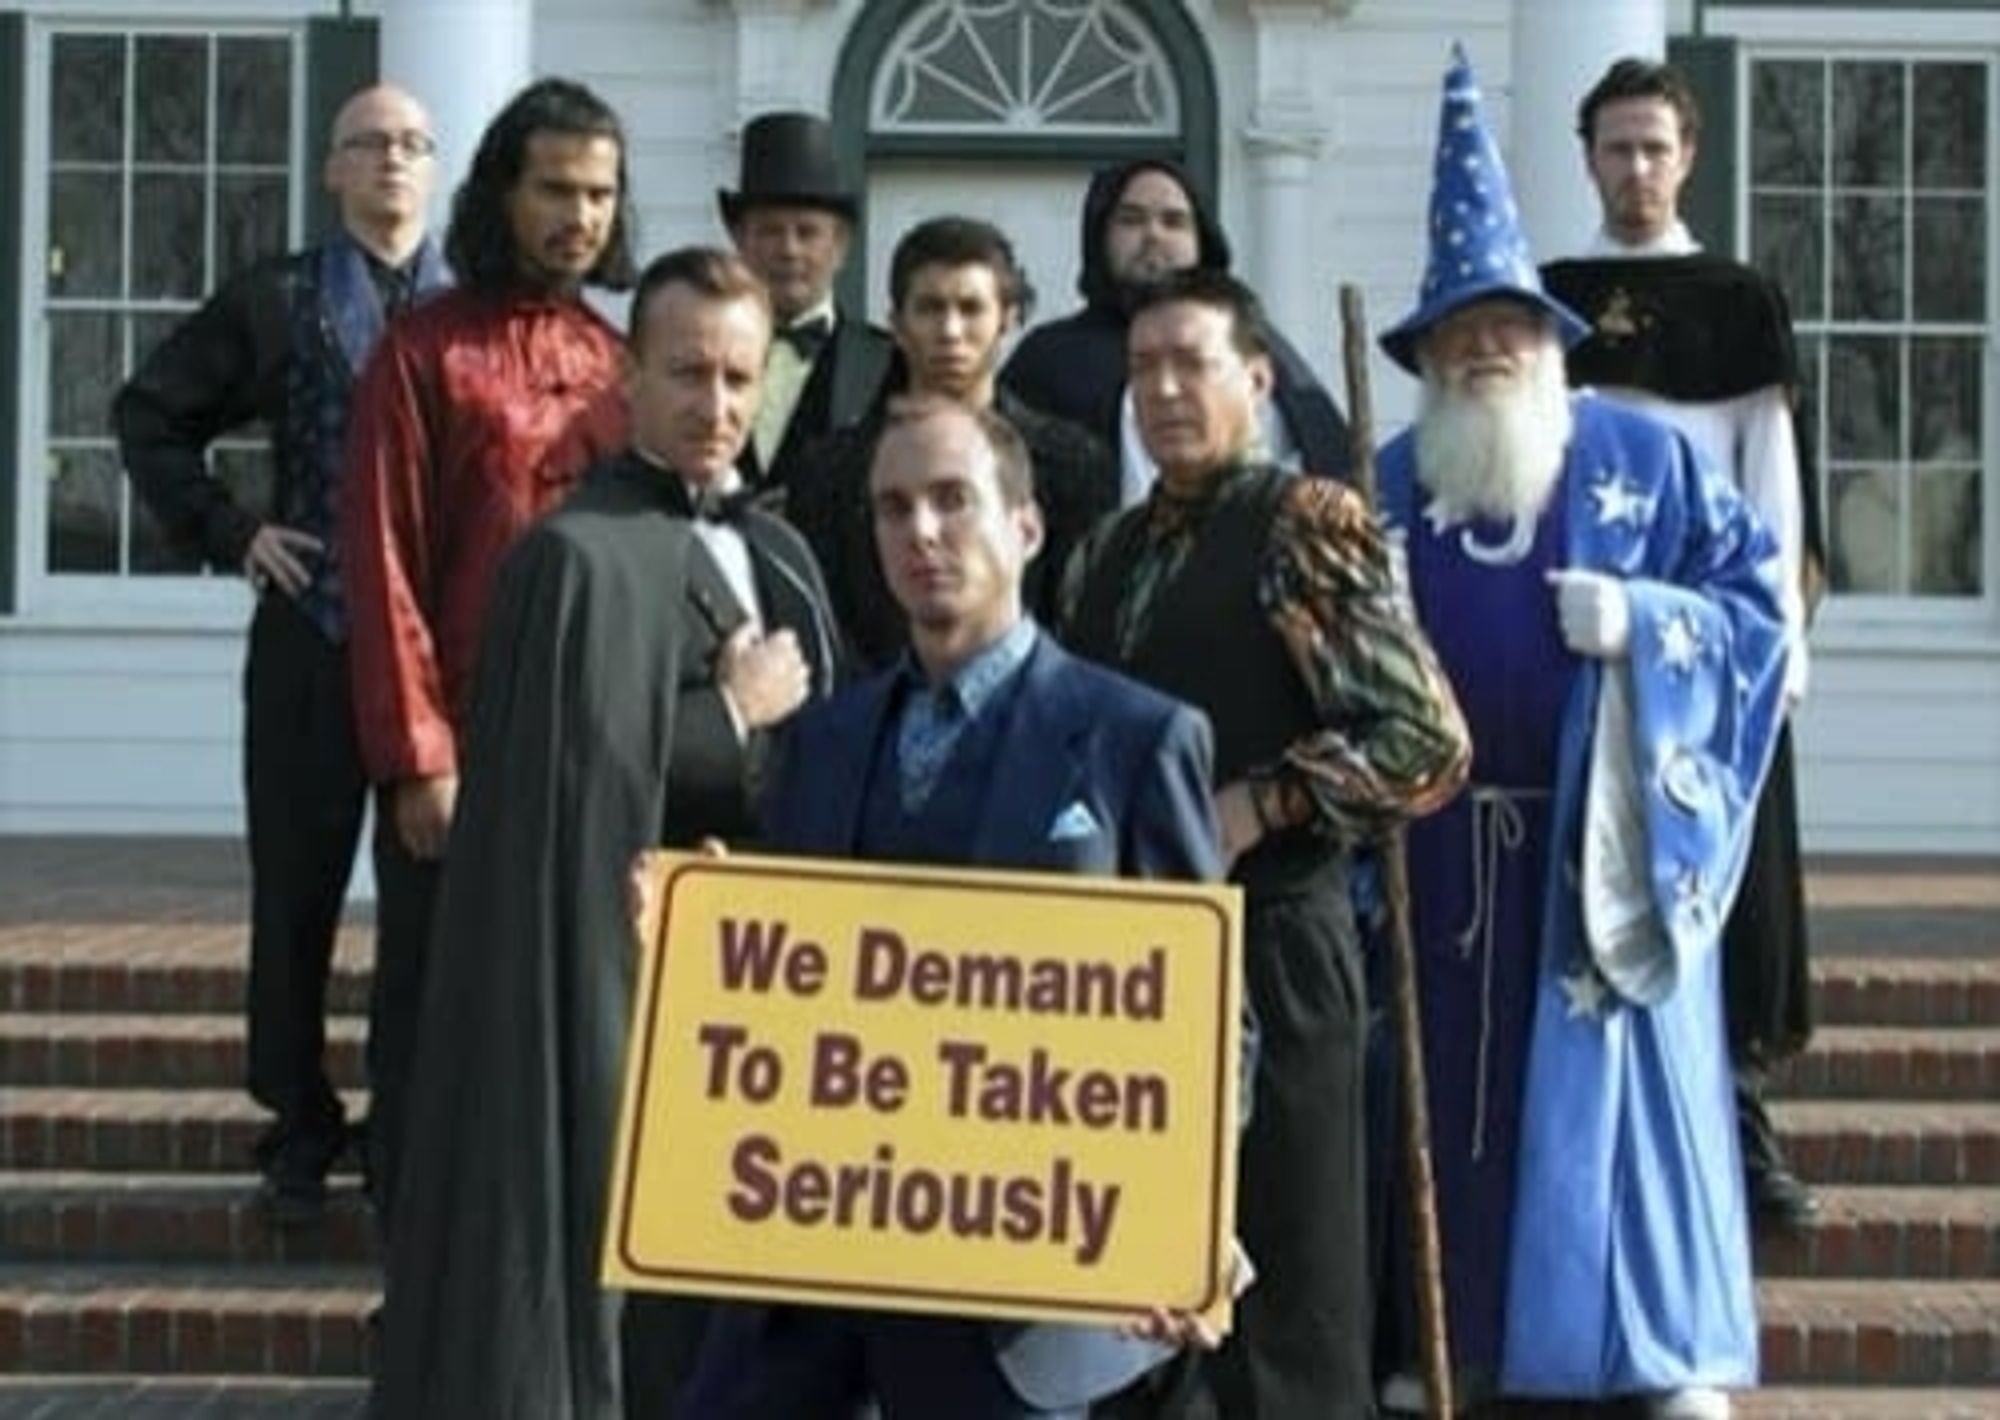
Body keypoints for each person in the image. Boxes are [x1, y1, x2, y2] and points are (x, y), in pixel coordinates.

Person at [1369, 50, 1785, 1417]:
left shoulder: (1645, 462)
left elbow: (1755, 613)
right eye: (1458, 335)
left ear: (1554, 343)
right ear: (1427, 358)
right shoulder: (1381, 485)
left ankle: (1652, 1359)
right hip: (1432, 872)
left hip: (1596, 856)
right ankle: (1449, 1350)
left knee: (1619, 1129)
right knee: (1447, 1128)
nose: (1486, 352)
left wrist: (1652, 624)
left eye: (1510, 330)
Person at [681, 394, 1222, 1419]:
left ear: (1024, 527)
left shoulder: (1135, 739)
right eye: (892, 508)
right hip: (813, 1262)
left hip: (1015, 1282)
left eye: (950, 500)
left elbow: (1206, 1028)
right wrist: (699, 943)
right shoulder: (824, 739)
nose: (920, 532)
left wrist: (1182, 1217)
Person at [369, 246, 837, 1419]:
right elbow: (564, 788)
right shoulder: (569, 559)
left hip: (772, 994)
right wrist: (731, 712)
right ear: (627, 376)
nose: (715, 404)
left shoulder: (780, 546)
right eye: (686, 373)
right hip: (608, 991)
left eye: (738, 377)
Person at [1060, 266, 1471, 1420]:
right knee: (1137, 1302)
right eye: (1142, 368)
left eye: (1191, 363)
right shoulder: (1106, 552)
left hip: (1277, 956)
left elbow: (1424, 740)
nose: (1164, 389)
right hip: (1130, 969)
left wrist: (1264, 801)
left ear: (1252, 378)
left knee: (1281, 1309)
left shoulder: (1304, 525)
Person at [112, 84, 448, 1222]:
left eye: (412, 144)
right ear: (332, 170)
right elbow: (146, 413)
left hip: (437, 654)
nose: (394, 161)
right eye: (371, 145)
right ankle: (297, 1122)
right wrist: (231, 532)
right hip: (310, 638)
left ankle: (407, 1123)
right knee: (296, 892)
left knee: (427, 901)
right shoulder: (276, 299)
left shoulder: (472, 308)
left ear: (435, 168)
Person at [339, 76, 635, 1231]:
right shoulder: (422, 353)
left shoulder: (621, 360)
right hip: (459, 750)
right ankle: (411, 1277)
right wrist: (418, 754)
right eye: (556, 188)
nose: (580, 215)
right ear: (501, 194)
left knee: (571, 1016)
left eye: (601, 193)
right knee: (432, 1019)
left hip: (592, 755)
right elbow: (379, 559)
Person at [1542, 55, 1826, 1231]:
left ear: (1686, 155)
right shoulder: (1549, 294)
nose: (1636, 168)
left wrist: (1776, 642)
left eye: (1655, 146)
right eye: (1615, 146)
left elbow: (1772, 479)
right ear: (1588, 157)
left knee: (1725, 873)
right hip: (1576, 633)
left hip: (1706, 636)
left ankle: (1741, 1116)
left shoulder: (1735, 299)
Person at [790, 215, 1117, 670]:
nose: (950, 331)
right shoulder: (829, 469)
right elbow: (824, 626)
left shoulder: (1073, 462)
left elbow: (1080, 622)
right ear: (896, 324)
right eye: (930, 308)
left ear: (1007, 318)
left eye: (970, 308)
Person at [1000, 158, 1351, 504]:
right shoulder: (1049, 359)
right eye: (1131, 220)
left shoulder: (1248, 345)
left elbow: (1323, 463)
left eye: (1173, 221)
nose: (1153, 235)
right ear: (1101, 235)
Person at [720, 110, 893, 498]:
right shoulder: (700, 356)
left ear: (842, 246)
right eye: (770, 231)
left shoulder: (887, 363)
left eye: (807, 232)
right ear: (739, 240)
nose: (788, 249)